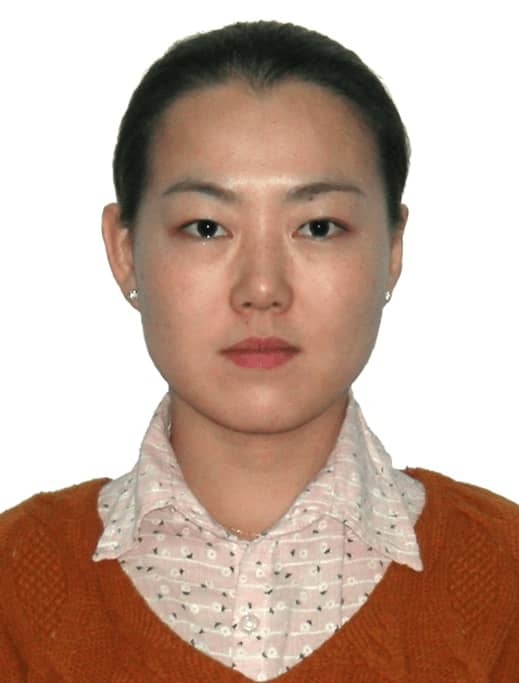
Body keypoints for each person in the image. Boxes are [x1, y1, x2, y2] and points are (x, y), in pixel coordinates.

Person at [1, 20, 518, 682]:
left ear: (391, 249)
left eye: (318, 226)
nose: (263, 289)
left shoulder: (503, 581)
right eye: (207, 227)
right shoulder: (15, 591)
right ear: (124, 251)